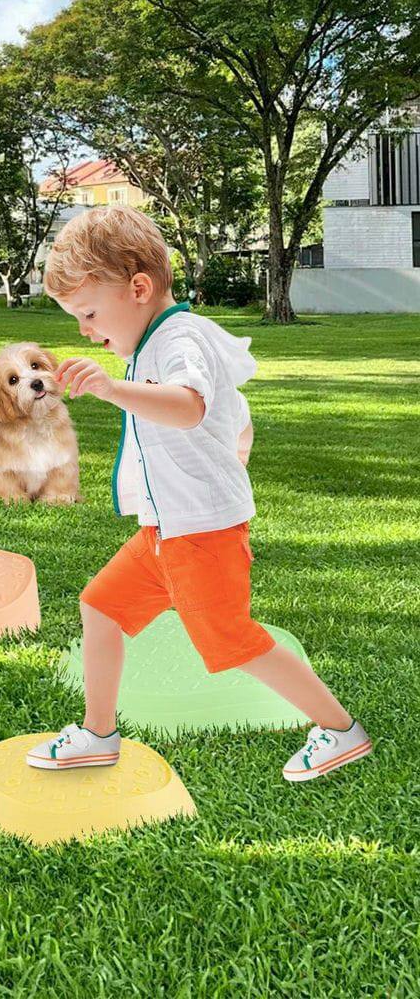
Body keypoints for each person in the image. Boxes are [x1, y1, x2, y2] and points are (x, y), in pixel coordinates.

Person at [25, 205, 371, 783]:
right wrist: (235, 446)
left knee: (231, 640)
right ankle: (99, 734)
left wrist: (112, 388)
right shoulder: (158, 342)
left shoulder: (178, 338)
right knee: (101, 607)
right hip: (165, 531)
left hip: (200, 531)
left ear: (138, 287)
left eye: (88, 313)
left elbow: (189, 405)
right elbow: (232, 410)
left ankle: (339, 730)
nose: (84, 330)